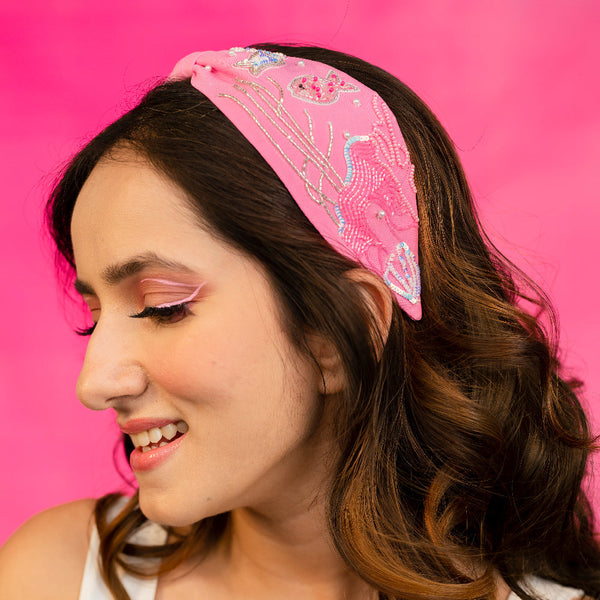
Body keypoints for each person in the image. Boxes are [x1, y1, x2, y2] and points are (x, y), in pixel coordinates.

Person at [0, 43, 598, 600]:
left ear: (345, 328)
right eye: (94, 318)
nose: (95, 384)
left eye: (163, 306)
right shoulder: (54, 575)